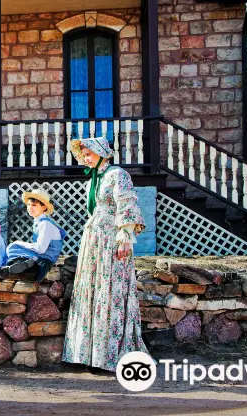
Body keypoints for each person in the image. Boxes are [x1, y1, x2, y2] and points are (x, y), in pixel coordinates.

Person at [62, 136, 148, 373]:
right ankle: (85, 354)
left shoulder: (118, 174)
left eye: (89, 154)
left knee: (110, 291)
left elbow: (127, 205)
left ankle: (107, 356)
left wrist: (125, 237)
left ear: (102, 152)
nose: (85, 158)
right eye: (84, 154)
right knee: (91, 290)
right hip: (93, 240)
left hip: (111, 240)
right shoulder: (94, 177)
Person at [0, 189, 65, 282]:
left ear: (44, 207)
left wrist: (20, 243)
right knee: (11, 248)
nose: (30, 207)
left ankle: (25, 263)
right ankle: (20, 265)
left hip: (45, 259)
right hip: (40, 256)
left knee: (14, 246)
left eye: (34, 205)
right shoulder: (39, 222)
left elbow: (40, 249)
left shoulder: (46, 224)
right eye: (29, 205)